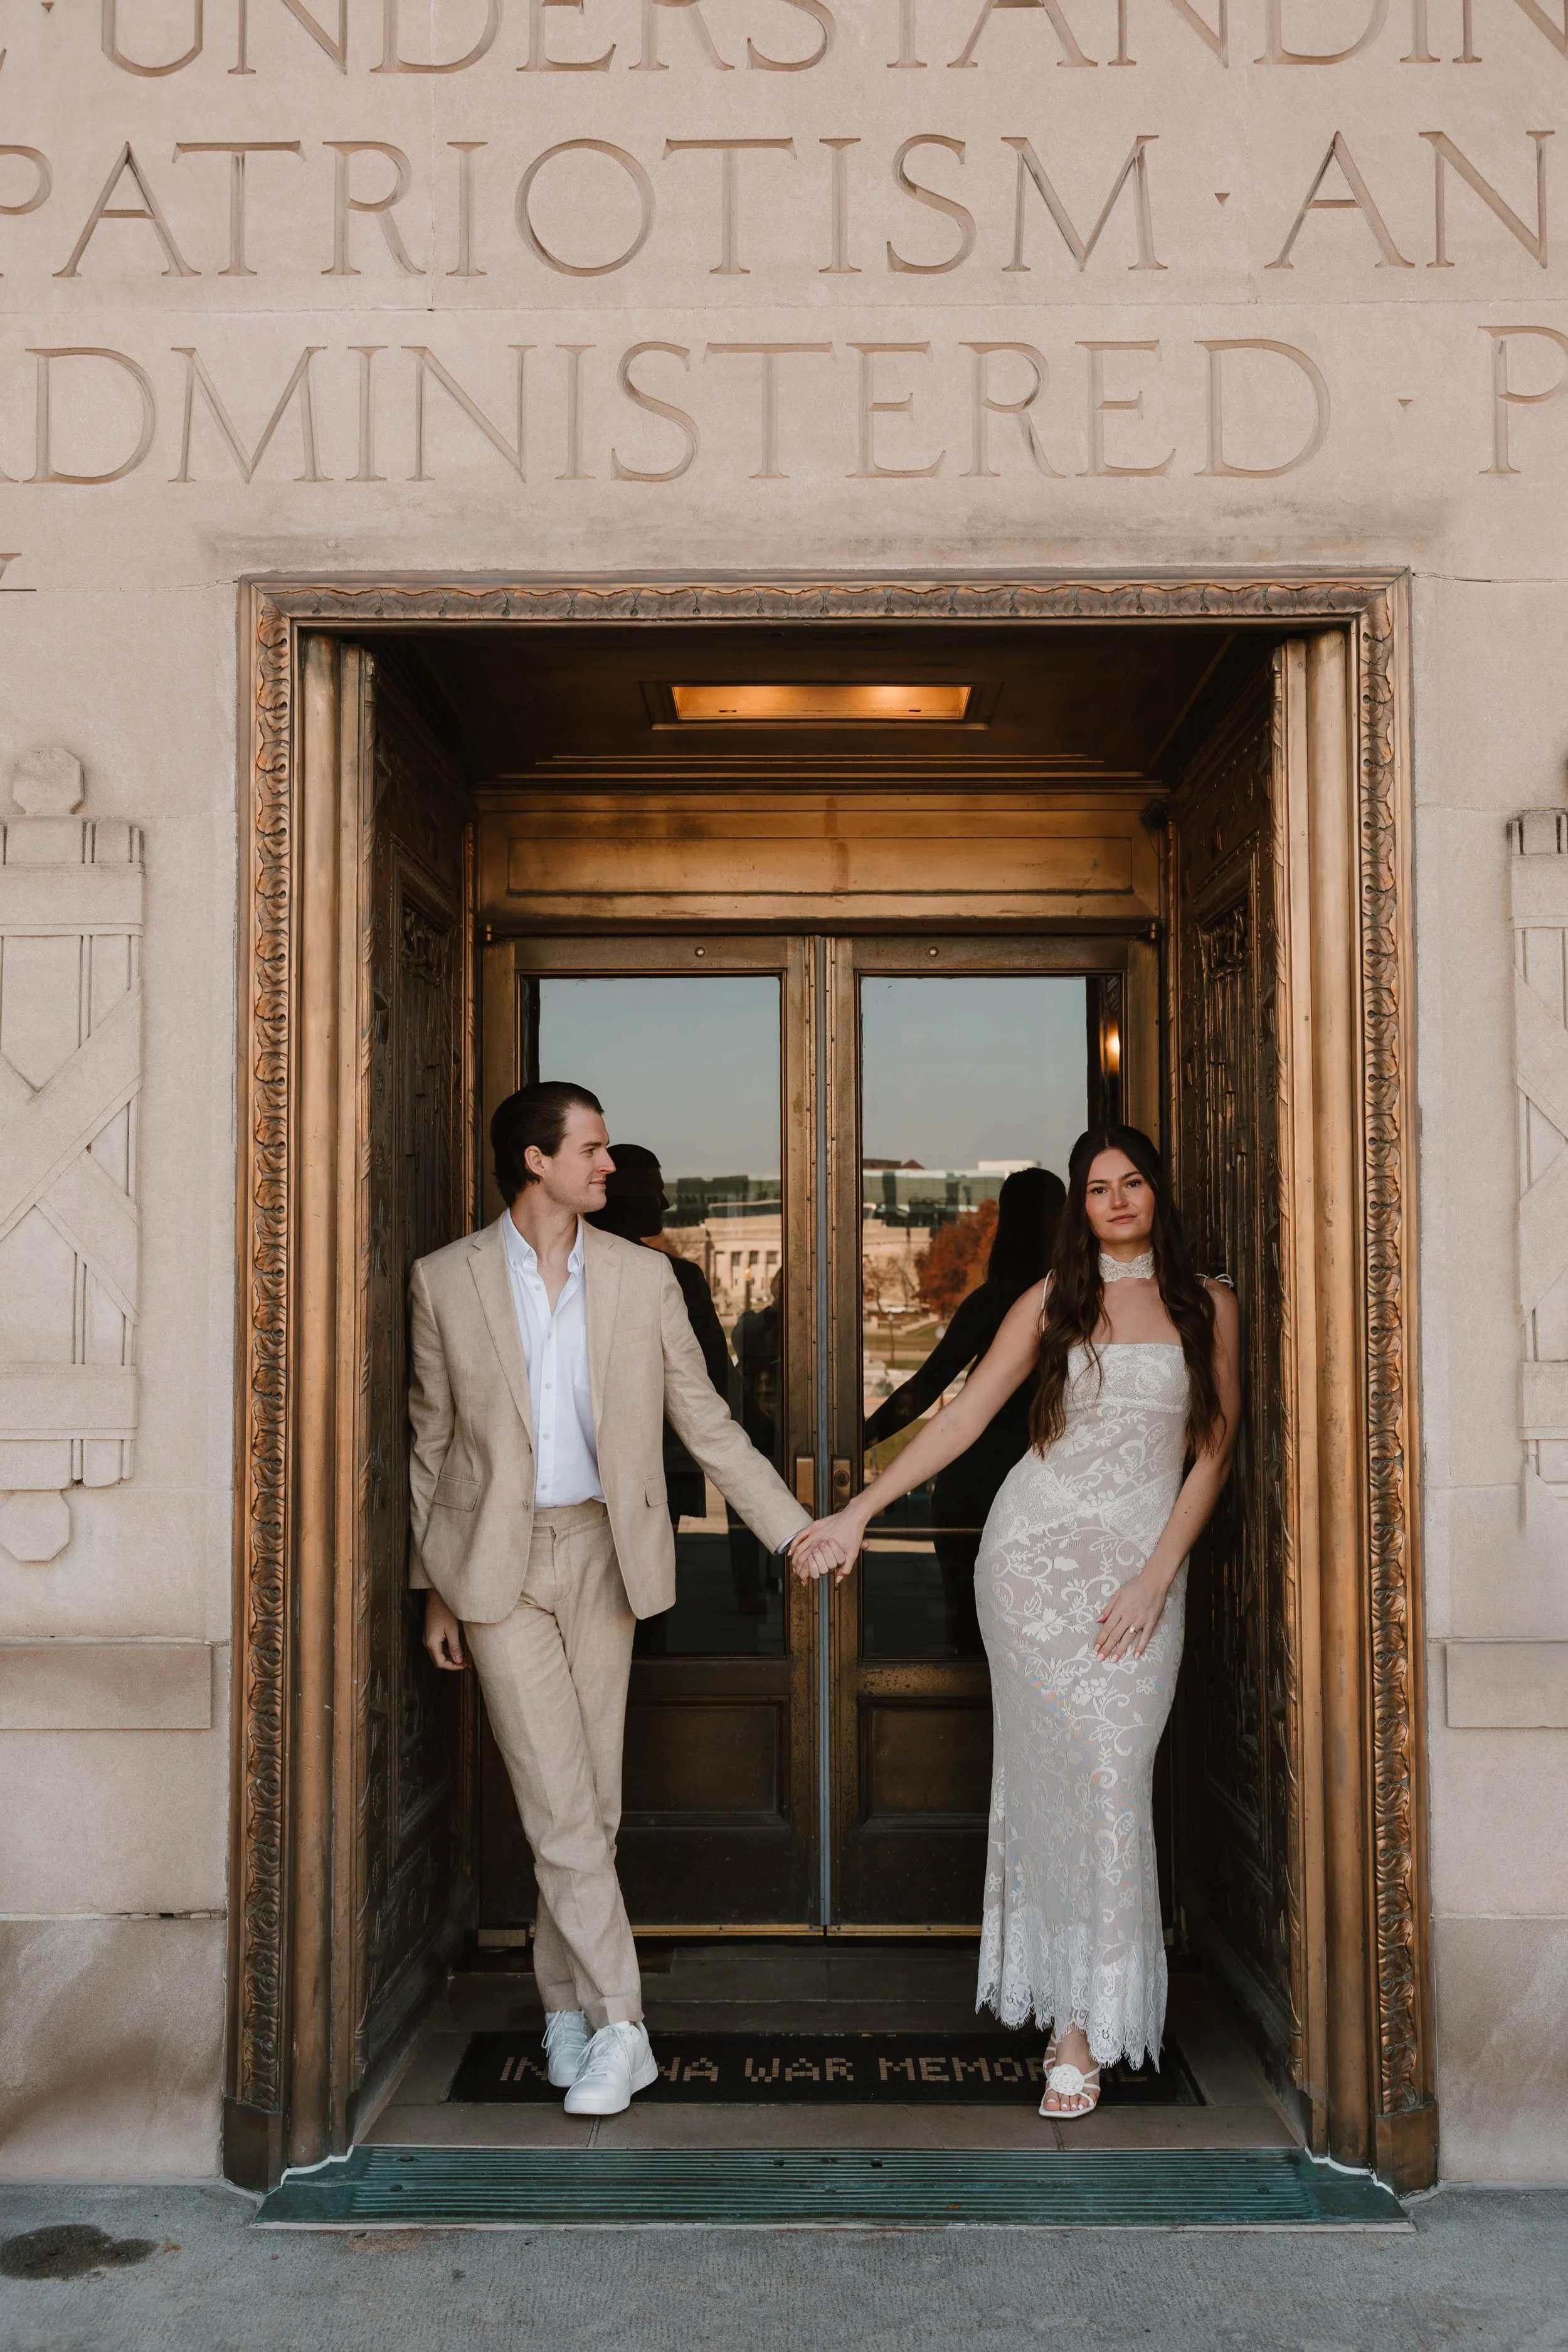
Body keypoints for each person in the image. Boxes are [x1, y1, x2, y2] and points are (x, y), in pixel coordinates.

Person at [793, 1126, 1239, 2122]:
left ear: (1158, 1191)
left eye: (1132, 1183)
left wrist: (1156, 1576)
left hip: (1137, 1572)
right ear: (1078, 1208)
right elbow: (958, 1418)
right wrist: (859, 1510)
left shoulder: (1208, 1303)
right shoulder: (1051, 1301)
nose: (1118, 1200)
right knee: (1051, 1785)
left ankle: (1100, 2001)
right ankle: (1071, 2027)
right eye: (1097, 1189)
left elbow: (1212, 1449)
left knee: (1114, 1777)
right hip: (1032, 1562)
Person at [409, 1083, 811, 2117]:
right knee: (559, 1805)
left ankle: (565, 2010)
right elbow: (433, 1447)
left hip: (606, 1554)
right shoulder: (444, 1280)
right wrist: (435, 1586)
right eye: (591, 1150)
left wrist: (793, 1529)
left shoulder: (645, 1280)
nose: (610, 1168)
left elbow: (708, 1424)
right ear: (536, 1163)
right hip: (495, 1568)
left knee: (590, 1806)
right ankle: (625, 2025)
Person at [863, 1167, 1066, 1651]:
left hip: (975, 1483)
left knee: (969, 1632)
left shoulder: (993, 1300)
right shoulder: (1058, 1301)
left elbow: (924, 1387)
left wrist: (859, 1438)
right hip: (1023, 1482)